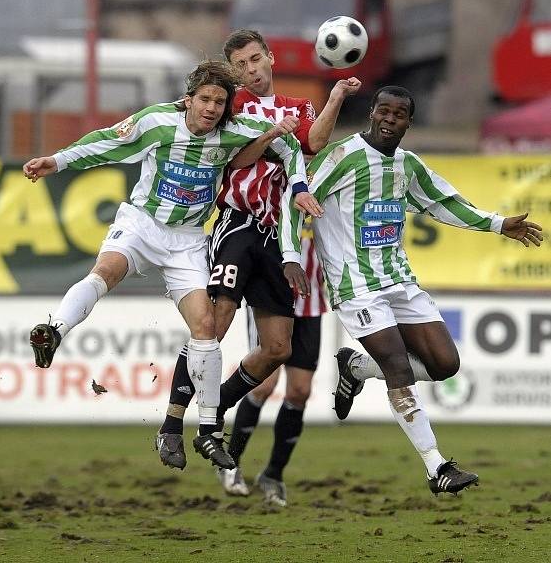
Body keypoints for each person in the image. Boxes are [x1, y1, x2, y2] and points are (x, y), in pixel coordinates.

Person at [22, 60, 321, 470]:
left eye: (219, 101)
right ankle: (55, 331)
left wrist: (300, 186)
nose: (212, 108)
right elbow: (108, 141)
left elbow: (289, 149)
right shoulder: (157, 122)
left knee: (205, 328)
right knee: (105, 272)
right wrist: (56, 161)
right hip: (143, 224)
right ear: (189, 99)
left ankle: (207, 431)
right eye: (205, 100)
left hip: (187, 241)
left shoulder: (236, 130)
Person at [306, 85, 544, 495]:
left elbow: (443, 201)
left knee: (444, 365)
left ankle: (355, 368)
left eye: (398, 115)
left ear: (408, 122)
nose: (388, 119)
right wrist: (292, 257)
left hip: (399, 281)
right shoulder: (342, 156)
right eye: (383, 111)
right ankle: (437, 467)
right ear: (373, 113)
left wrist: (498, 224)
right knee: (399, 368)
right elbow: (301, 200)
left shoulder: (407, 165)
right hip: (356, 285)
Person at [157, 29, 359, 481]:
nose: (251, 70)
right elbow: (242, 163)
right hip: (235, 224)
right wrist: (271, 134)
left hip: (274, 233)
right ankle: (173, 423)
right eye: (241, 66)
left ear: (269, 57)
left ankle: (215, 415)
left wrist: (337, 97)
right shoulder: (232, 107)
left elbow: (314, 143)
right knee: (214, 325)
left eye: (254, 60)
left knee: (277, 348)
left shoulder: (296, 106)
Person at [219, 222, 326, 507]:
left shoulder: (327, 188)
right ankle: (230, 463)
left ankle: (273, 475)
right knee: (265, 384)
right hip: (272, 299)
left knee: (300, 392)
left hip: (311, 304)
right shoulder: (279, 186)